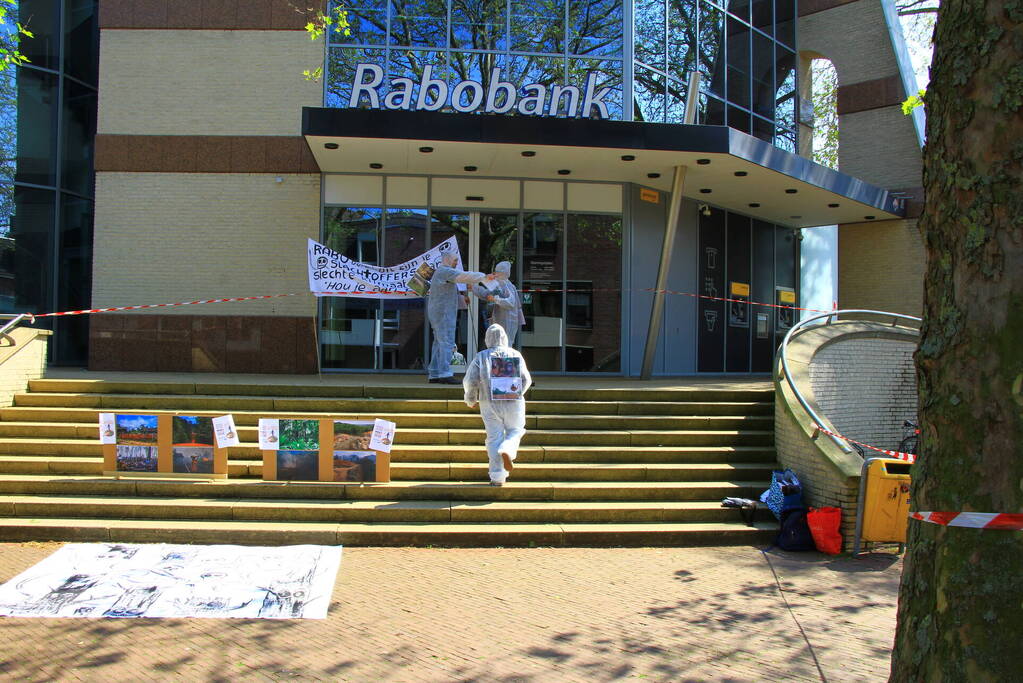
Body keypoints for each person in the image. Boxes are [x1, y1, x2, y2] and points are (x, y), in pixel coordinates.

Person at [463, 323, 533, 486]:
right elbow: (526, 379)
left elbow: (471, 380)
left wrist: (471, 399)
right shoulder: (515, 354)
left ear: (487, 338)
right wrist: (516, 393)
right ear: (505, 338)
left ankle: (497, 477)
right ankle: (508, 449)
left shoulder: (481, 356)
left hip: (489, 404)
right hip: (513, 403)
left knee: (494, 437)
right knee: (515, 430)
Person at [427, 252, 487, 384]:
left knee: (438, 343)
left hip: (439, 313)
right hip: (443, 314)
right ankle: (444, 373)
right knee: (446, 342)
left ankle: (434, 373)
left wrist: (462, 297)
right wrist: (484, 276)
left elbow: (446, 294)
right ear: (447, 260)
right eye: (454, 260)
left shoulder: (442, 273)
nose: (456, 263)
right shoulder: (444, 271)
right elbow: (464, 276)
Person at [471, 260, 525, 347]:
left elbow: (511, 303)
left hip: (508, 321)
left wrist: (495, 299)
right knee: (497, 344)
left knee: (505, 345)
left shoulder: (507, 285)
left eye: (497, 272)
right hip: (499, 320)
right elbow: (486, 294)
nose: (494, 274)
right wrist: (474, 287)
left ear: (503, 273)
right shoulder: (498, 284)